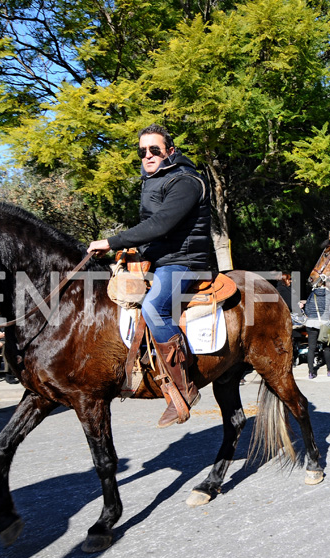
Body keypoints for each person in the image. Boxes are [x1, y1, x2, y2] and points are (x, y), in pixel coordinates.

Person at [87, 124, 211, 428]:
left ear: (169, 150)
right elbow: (152, 232)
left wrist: (112, 241)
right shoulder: (156, 181)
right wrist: (130, 253)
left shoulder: (186, 181)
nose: (148, 155)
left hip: (187, 262)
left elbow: (161, 225)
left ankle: (182, 390)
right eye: (142, 151)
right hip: (161, 260)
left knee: (155, 306)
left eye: (154, 149)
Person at [301, 279, 330, 379]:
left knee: (311, 348)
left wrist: (311, 316)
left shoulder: (312, 294)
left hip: (311, 323)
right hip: (324, 323)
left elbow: (307, 308)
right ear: (326, 284)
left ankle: (311, 372)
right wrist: (325, 319)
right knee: (327, 348)